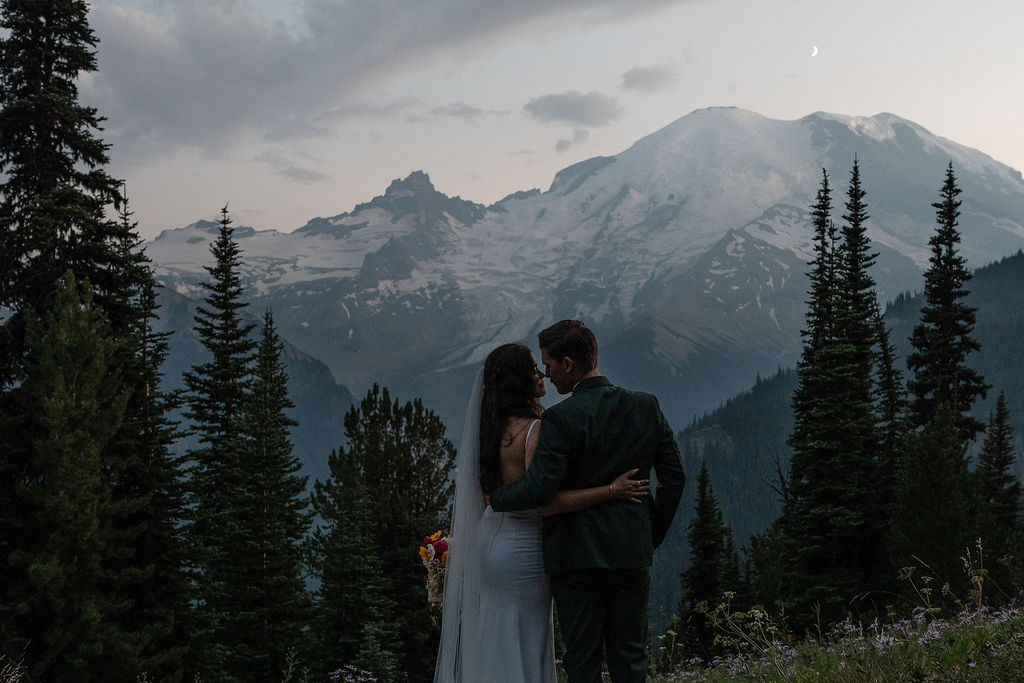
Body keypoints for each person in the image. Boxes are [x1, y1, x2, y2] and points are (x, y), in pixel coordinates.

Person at [435, 343, 649, 683]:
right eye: (533, 368)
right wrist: (611, 490)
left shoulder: (487, 429)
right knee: (526, 639)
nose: (541, 373)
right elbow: (547, 502)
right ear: (519, 379)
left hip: (491, 542)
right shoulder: (536, 430)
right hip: (524, 549)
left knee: (497, 638)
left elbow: (482, 497)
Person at [489, 320, 686, 683]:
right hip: (630, 552)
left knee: (582, 661)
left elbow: (539, 492)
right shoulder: (645, 406)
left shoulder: (561, 419)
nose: (545, 375)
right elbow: (674, 479)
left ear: (568, 363)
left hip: (574, 557)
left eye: (548, 365)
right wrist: (650, 534)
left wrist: (495, 496)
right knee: (631, 656)